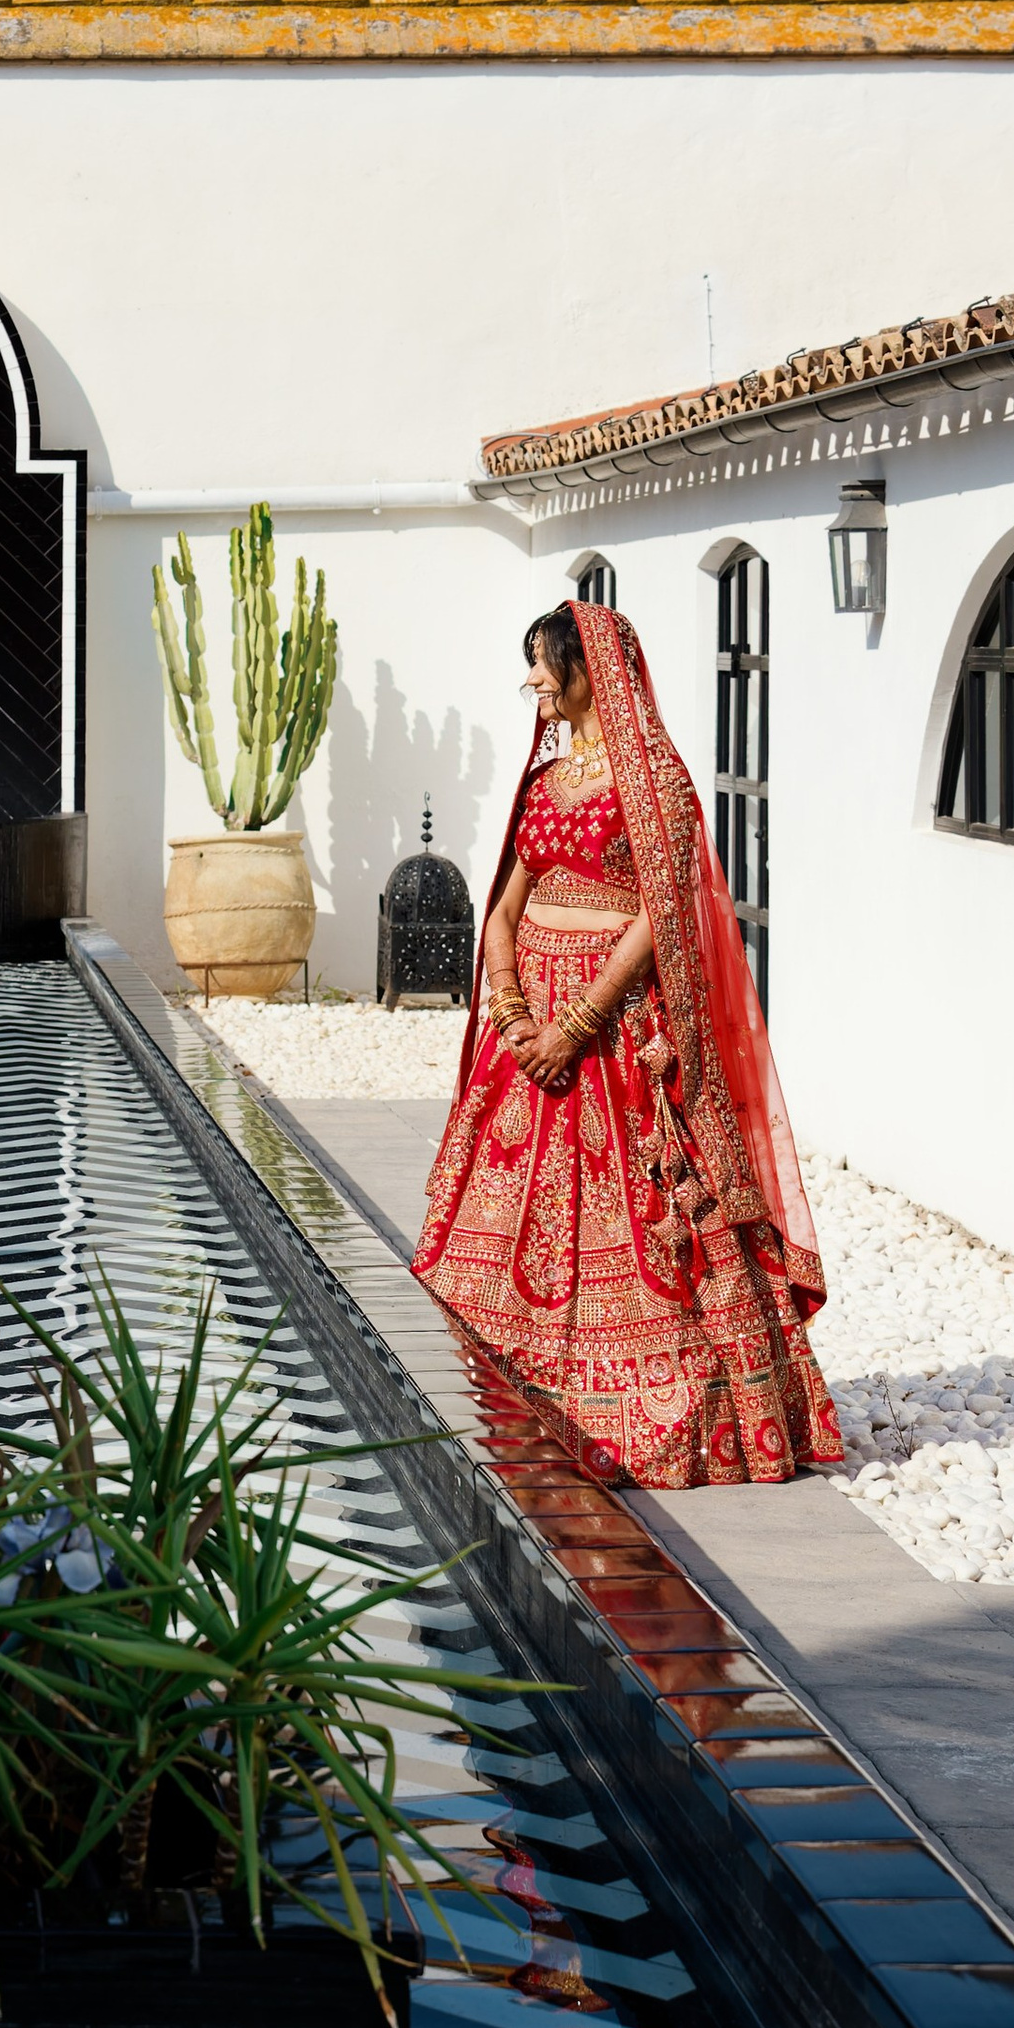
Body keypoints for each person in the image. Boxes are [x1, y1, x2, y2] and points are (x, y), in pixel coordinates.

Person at [411, 597, 842, 1489]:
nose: (531, 679)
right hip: (526, 1026)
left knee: (648, 1218)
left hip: (616, 1037)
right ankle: (506, 1397)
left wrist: (578, 1022)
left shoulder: (658, 787)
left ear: (588, 669)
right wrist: (512, 1009)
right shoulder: (544, 782)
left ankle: (652, 1408)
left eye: (542, 662)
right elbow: (505, 905)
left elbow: (663, 912)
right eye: (529, 660)